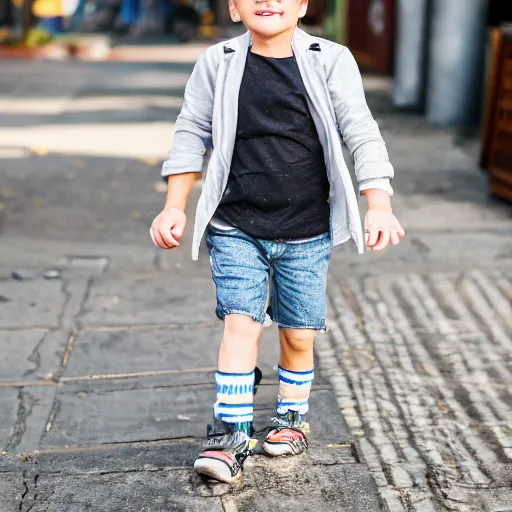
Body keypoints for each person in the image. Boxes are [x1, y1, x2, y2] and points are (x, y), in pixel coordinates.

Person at [150, 0, 405, 484]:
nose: (268, 1)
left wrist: (379, 202)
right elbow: (191, 132)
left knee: (298, 333)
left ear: (303, 4)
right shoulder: (218, 62)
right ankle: (230, 436)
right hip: (236, 226)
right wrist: (174, 205)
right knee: (240, 323)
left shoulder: (330, 59)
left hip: (307, 230)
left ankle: (291, 418)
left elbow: (361, 133)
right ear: (233, 7)